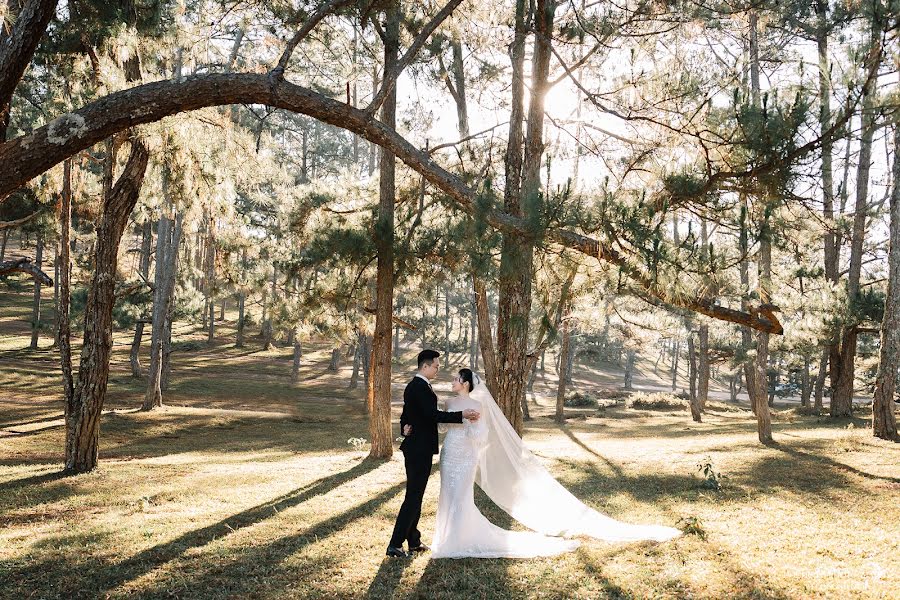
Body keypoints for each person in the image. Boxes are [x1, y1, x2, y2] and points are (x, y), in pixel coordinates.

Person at [411, 368, 682, 559]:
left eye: (458, 379)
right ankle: (445, 537)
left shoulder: (477, 405)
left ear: (467, 384)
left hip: (466, 456)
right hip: (449, 454)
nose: (453, 381)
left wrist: (471, 424)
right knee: (447, 494)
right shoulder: (447, 401)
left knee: (462, 495)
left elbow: (480, 437)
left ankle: (460, 538)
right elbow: (442, 424)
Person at [386, 350, 480, 558]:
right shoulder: (418, 387)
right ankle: (395, 544)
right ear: (425, 366)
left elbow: (406, 413)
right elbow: (432, 415)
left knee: (416, 495)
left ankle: (413, 541)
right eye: (436, 366)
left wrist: (404, 427)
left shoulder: (419, 386)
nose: (438, 369)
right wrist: (461, 414)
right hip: (418, 450)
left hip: (419, 447)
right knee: (413, 496)